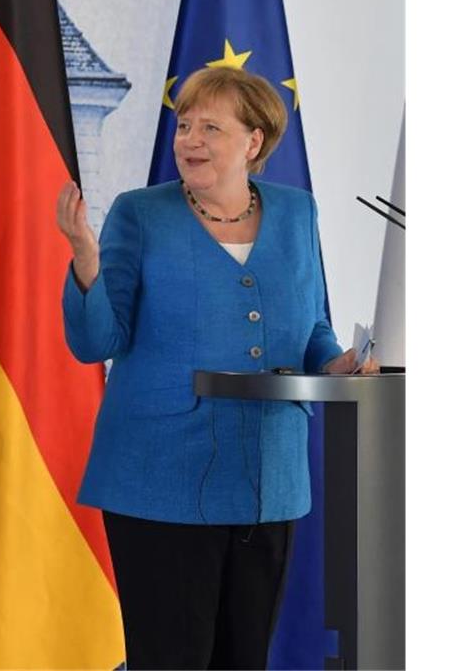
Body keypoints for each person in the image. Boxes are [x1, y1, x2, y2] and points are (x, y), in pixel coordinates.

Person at [55, 66, 378, 670]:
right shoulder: (139, 214)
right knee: (172, 659)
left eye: (210, 126)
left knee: (243, 659)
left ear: (254, 142)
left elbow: (310, 326)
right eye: (183, 125)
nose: (189, 140)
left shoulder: (297, 213)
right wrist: (84, 259)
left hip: (267, 478)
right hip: (159, 479)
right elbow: (96, 340)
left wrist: (340, 364)